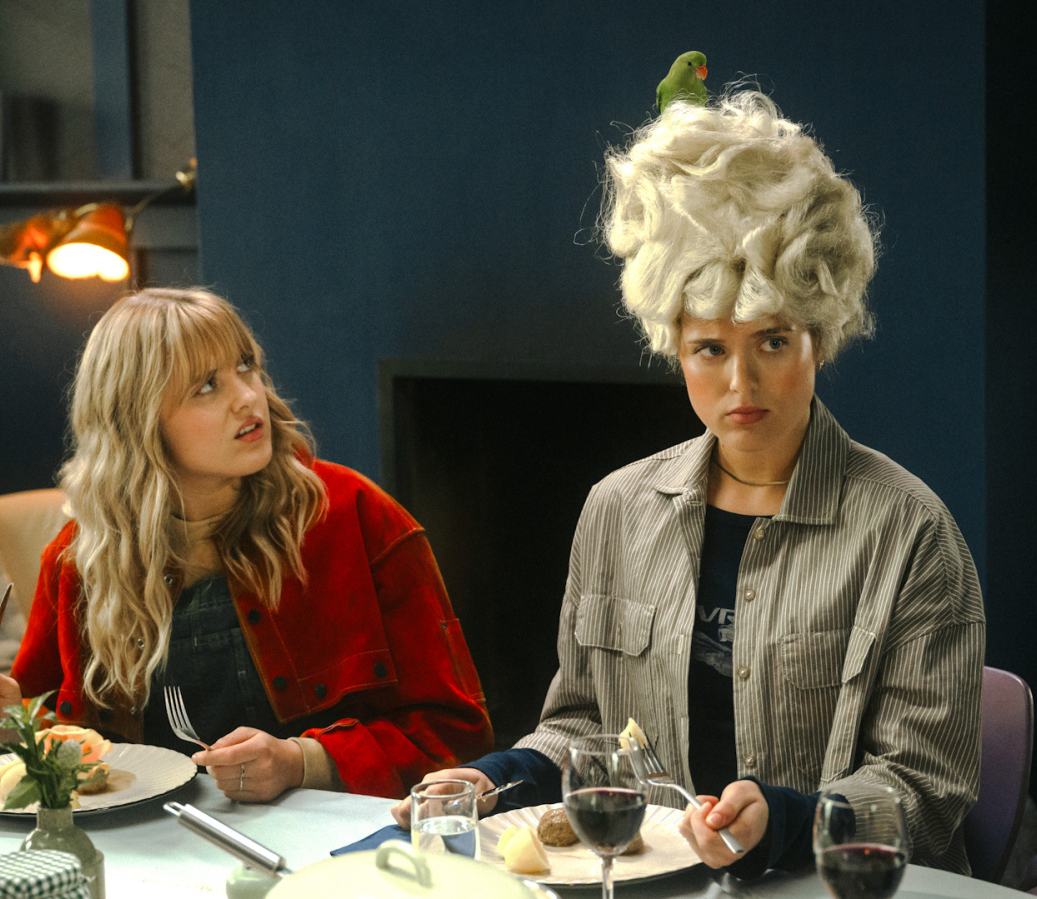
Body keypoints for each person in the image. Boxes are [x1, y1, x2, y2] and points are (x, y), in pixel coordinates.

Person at [393, 89, 984, 877]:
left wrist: (785, 820)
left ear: (820, 336)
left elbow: (925, 788)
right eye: (710, 348)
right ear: (673, 345)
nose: (742, 383)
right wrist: (497, 777)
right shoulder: (615, 510)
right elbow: (583, 725)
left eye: (772, 340)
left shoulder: (911, 533)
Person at [0, 288, 492, 801]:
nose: (249, 396)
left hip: (333, 847)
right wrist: (6, 723)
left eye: (245, 365)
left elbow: (458, 735)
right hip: (148, 847)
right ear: (137, 422)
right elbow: (61, 730)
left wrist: (303, 762)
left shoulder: (356, 516)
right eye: (207, 386)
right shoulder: (79, 559)